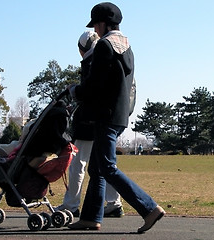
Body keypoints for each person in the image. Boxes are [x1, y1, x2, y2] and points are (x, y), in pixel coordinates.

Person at [67, 2, 165, 233]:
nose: (96, 31)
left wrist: (76, 90)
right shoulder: (127, 47)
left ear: (102, 24)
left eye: (96, 26)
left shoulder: (104, 46)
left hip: (105, 114)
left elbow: (94, 85)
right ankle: (91, 217)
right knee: (98, 169)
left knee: (108, 167)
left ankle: (149, 208)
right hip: (120, 115)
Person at [55, 30, 124, 218]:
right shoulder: (108, 54)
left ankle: (71, 204)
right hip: (108, 119)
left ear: (81, 48)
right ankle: (114, 202)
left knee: (78, 164)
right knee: (106, 163)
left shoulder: (90, 60)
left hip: (88, 122)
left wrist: (74, 90)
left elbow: (89, 92)